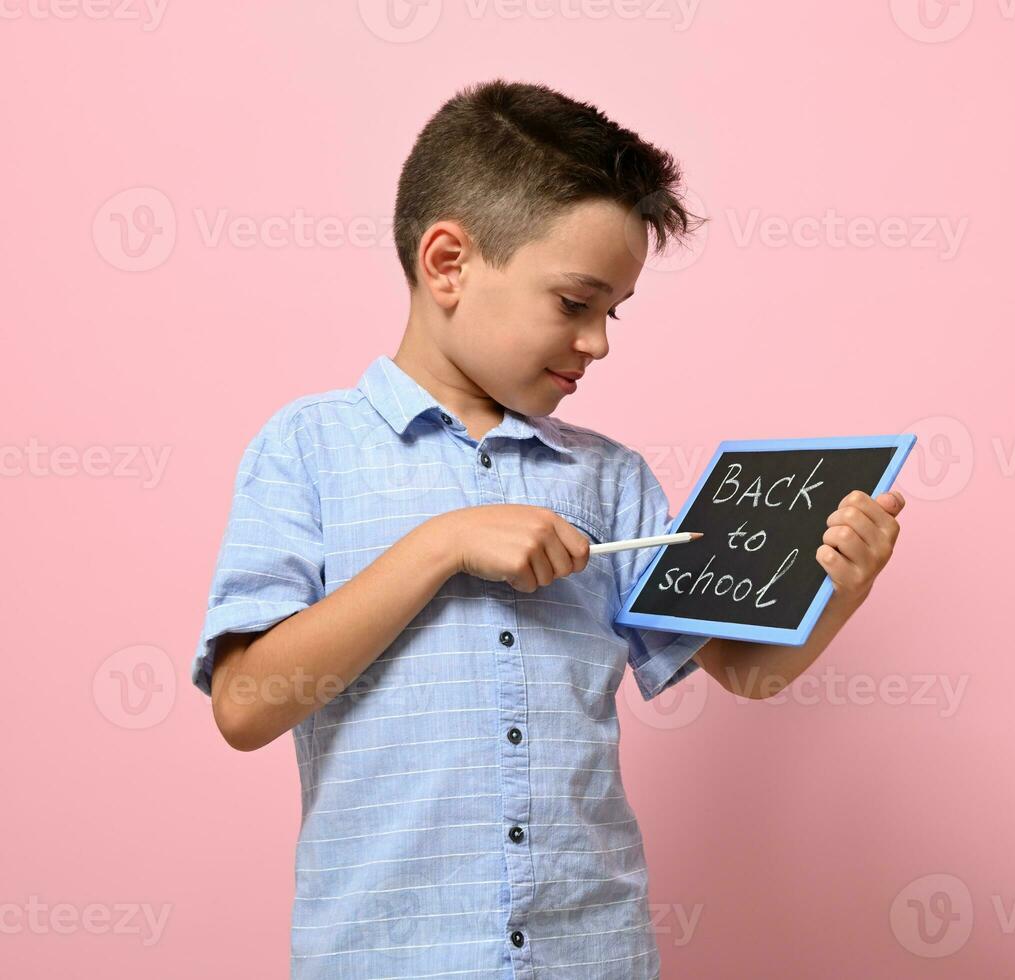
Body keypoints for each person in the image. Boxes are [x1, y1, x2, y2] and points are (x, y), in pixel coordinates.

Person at [192, 78, 906, 979]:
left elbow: (745, 673)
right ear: (447, 262)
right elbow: (245, 706)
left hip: (590, 954)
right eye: (574, 303)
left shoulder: (606, 477)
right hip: (385, 957)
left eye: (613, 312)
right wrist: (440, 545)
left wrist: (838, 591)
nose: (599, 342)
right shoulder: (308, 450)